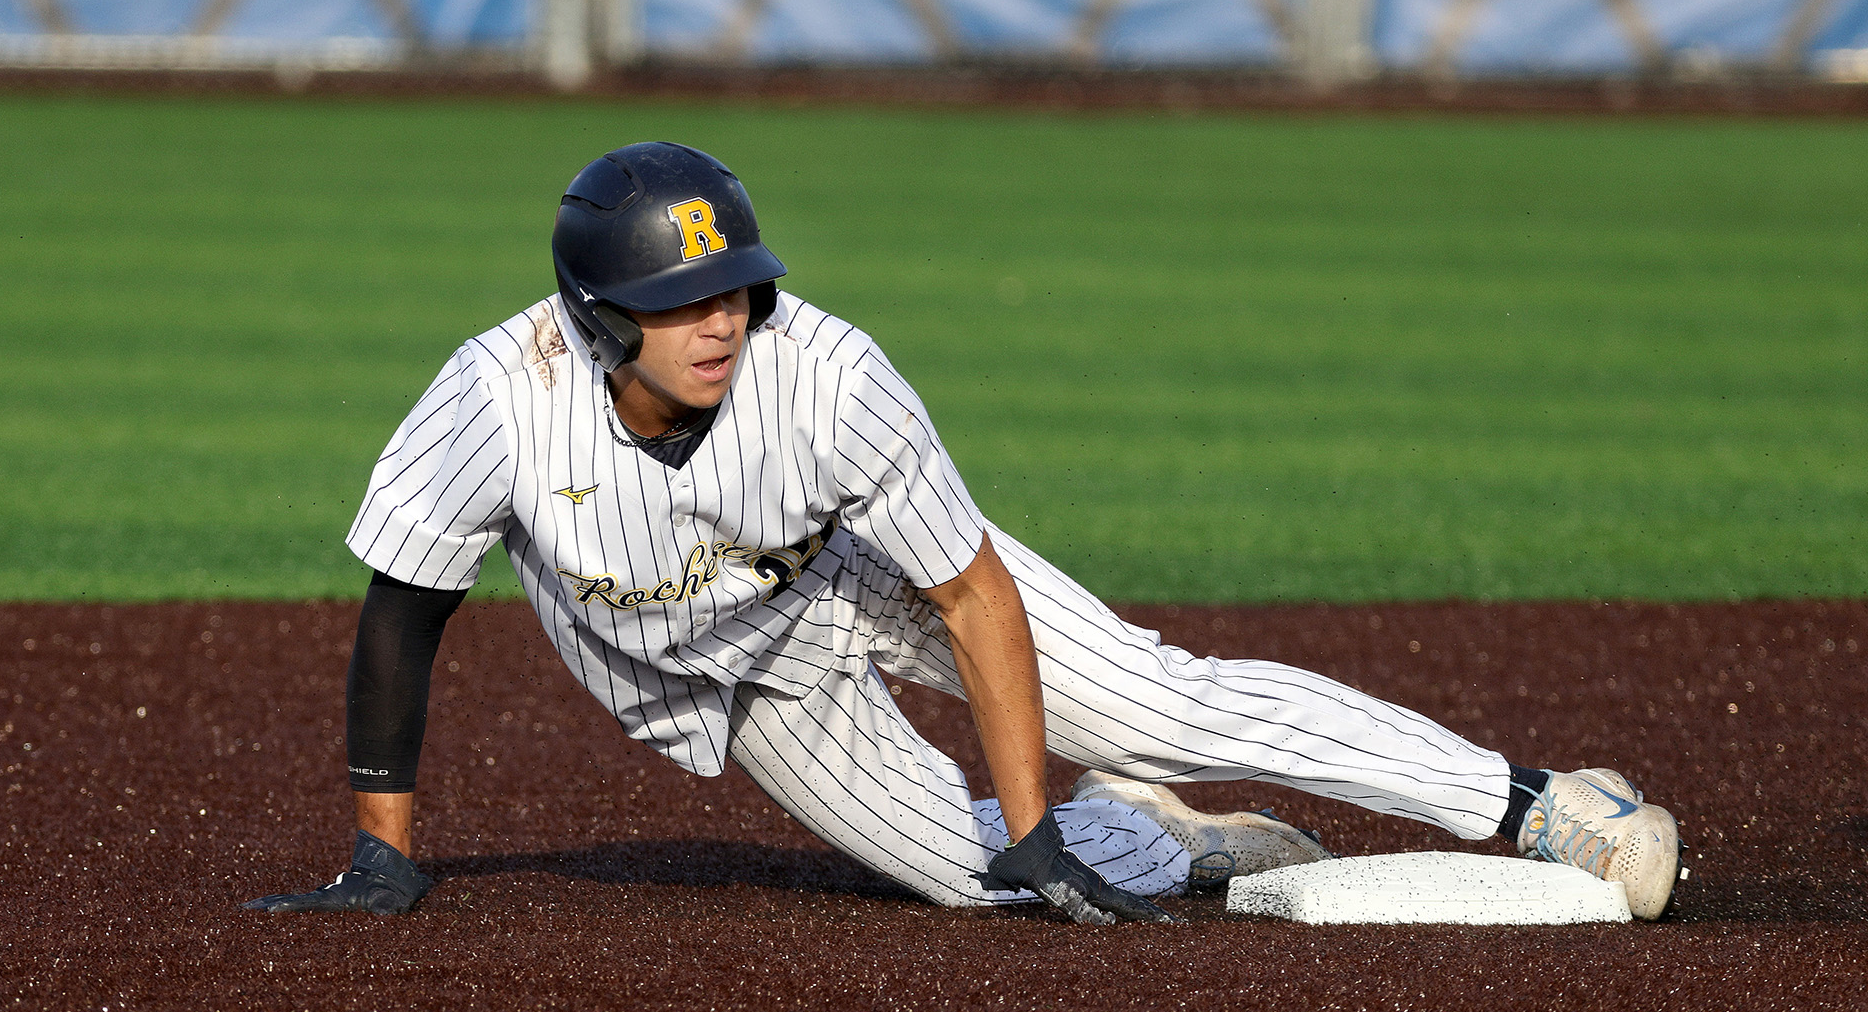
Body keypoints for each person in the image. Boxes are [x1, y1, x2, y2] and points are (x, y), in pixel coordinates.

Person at [242, 142, 1683, 924]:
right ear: (597, 318)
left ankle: (1538, 801)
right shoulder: (497, 400)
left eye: (735, 289)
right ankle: (1164, 844)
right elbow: (403, 608)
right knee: (968, 874)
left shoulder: (829, 377)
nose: (723, 321)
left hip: (875, 577)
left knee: (1161, 703)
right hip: (736, 682)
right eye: (685, 306)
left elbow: (976, 592)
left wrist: (1039, 803)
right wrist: (383, 850)